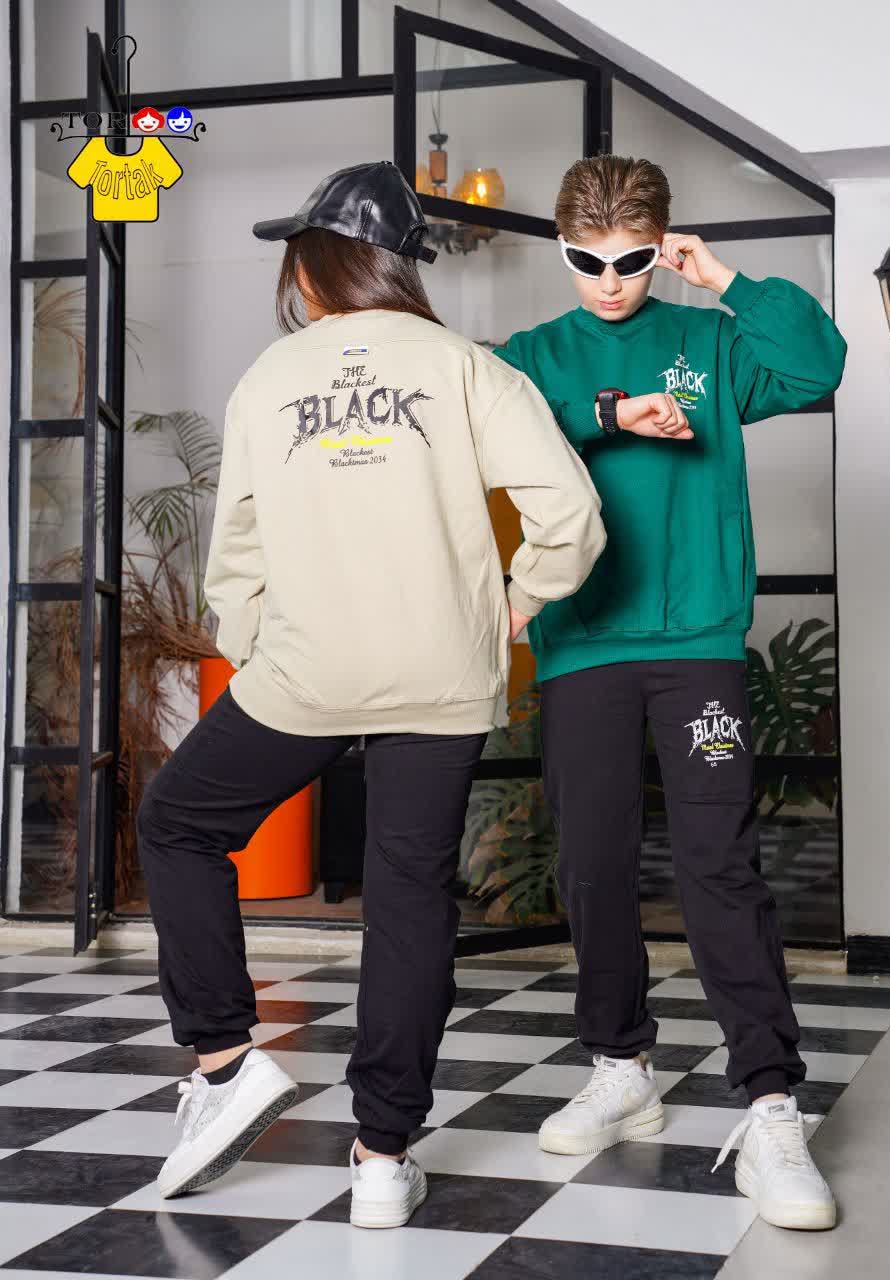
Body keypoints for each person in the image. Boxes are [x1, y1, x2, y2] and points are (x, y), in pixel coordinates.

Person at [137, 160, 605, 1229]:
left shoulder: (270, 377)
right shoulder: (467, 368)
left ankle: (223, 1063)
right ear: (400, 266)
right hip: (442, 675)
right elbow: (571, 518)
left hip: (309, 672)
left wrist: (253, 646)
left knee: (177, 825)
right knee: (409, 899)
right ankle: (384, 1157)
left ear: (312, 266)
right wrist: (511, 607)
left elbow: (237, 550)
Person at [494, 154, 847, 1232]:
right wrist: (610, 409)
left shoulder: (713, 340)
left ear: (664, 246)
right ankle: (621, 1065)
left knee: (718, 861)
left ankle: (771, 1102)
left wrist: (725, 280)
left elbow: (820, 364)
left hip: (697, 643)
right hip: (583, 645)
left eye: (634, 260)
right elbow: (492, 432)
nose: (610, 282)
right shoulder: (532, 356)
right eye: (587, 260)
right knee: (593, 864)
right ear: (561, 250)